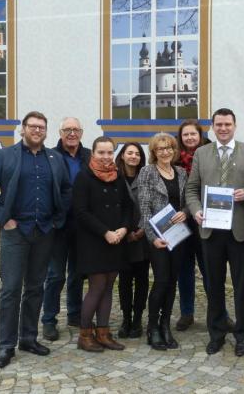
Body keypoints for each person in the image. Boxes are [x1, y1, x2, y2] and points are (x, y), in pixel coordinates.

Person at [0, 111, 72, 368]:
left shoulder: (54, 158)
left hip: (44, 232)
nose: (37, 131)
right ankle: (6, 346)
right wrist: (2, 219)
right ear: (23, 129)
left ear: (46, 131)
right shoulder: (5, 156)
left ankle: (28, 338)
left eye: (42, 127)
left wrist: (57, 220)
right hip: (15, 233)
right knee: (11, 290)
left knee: (35, 287)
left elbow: (66, 190)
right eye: (33, 126)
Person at [185, 108, 244, 356]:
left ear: (235, 125)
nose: (223, 128)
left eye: (228, 124)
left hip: (239, 231)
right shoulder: (201, 153)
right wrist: (196, 211)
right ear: (212, 127)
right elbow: (191, 189)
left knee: (241, 286)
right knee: (214, 285)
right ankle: (216, 333)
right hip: (211, 230)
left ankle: (242, 334)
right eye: (219, 124)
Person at [174, 119, 235, 332]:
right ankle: (187, 312)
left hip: (207, 220)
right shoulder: (174, 159)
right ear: (180, 138)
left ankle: (221, 314)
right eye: (185, 135)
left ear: (200, 136)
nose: (190, 138)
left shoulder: (212, 155)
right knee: (184, 269)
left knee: (210, 270)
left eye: (193, 134)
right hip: (181, 222)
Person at [72, 136, 132, 352]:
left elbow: (127, 207)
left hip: (116, 240)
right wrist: (105, 232)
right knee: (96, 287)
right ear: (93, 153)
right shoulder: (84, 177)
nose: (106, 157)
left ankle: (104, 333)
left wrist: (124, 229)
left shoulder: (117, 176)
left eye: (109, 153)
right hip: (93, 241)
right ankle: (85, 334)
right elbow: (80, 212)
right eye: (101, 152)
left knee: (108, 288)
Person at [135, 133, 188, 350]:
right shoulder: (147, 172)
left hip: (178, 236)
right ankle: (153, 327)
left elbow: (188, 200)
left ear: (174, 150)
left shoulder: (182, 172)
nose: (165, 152)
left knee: (173, 281)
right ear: (154, 152)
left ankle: (166, 325)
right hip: (158, 237)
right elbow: (145, 208)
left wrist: (185, 212)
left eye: (169, 148)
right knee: (161, 281)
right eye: (160, 149)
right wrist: (152, 237)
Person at [41, 117, 91, 342]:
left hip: (82, 226)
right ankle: (49, 320)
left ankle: (74, 313)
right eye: (67, 130)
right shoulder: (49, 156)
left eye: (76, 130)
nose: (72, 133)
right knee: (55, 275)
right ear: (60, 132)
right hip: (58, 225)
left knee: (78, 274)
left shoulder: (90, 156)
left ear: (81, 132)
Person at [114, 142, 150, 339]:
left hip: (143, 236)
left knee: (142, 279)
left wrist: (144, 228)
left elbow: (153, 203)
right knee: (125, 281)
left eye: (137, 153)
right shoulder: (114, 177)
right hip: (122, 237)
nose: (133, 156)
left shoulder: (146, 176)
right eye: (130, 153)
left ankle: (138, 320)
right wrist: (125, 230)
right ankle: (126, 319)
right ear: (122, 156)